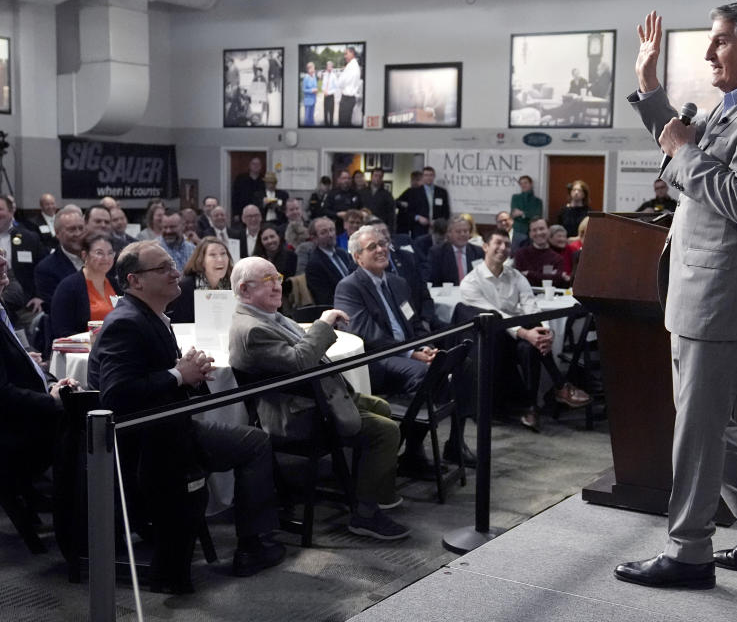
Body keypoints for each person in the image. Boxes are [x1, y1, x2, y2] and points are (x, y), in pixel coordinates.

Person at [615, 3, 737, 590]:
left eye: (720, 42)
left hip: (724, 292)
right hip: (703, 287)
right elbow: (687, 157)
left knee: (698, 428)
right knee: (710, 423)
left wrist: (682, 150)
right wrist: (650, 87)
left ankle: (689, 552)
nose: (707, 54)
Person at [88, 241, 284, 588]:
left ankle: (254, 541)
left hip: (167, 429)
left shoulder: (148, 315)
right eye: (162, 268)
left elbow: (156, 379)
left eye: (172, 265)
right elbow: (116, 395)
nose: (176, 272)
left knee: (254, 440)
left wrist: (190, 373)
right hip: (149, 443)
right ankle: (253, 546)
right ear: (135, 280)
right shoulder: (127, 322)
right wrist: (179, 375)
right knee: (255, 443)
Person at [228, 257, 409, 540]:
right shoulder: (252, 329)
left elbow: (303, 355)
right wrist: (322, 324)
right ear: (244, 289)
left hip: (315, 400)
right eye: (268, 281)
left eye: (278, 276)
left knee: (381, 406)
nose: (278, 285)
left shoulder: (266, 315)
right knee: (386, 431)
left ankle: (371, 489)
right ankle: (365, 513)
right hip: (297, 415)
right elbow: (301, 360)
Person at [334, 225, 470, 473]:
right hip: (376, 358)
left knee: (457, 365)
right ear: (357, 257)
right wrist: (412, 353)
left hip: (408, 352)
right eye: (372, 247)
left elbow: (414, 323)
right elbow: (367, 334)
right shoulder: (349, 287)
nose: (380, 249)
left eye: (382, 244)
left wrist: (426, 347)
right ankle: (406, 449)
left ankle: (422, 449)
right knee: (424, 374)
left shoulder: (397, 283)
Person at [460, 228, 591, 432]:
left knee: (532, 345)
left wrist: (544, 331)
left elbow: (531, 307)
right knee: (526, 335)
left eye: (507, 244)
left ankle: (532, 408)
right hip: (490, 341)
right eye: (498, 243)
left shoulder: (516, 276)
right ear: (485, 246)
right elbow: (496, 316)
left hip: (517, 337)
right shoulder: (470, 282)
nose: (503, 248)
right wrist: (525, 333)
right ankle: (559, 385)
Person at [0, 250, 75, 531]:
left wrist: (51, 383)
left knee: (82, 402)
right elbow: (3, 394)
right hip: (12, 431)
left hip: (23, 411)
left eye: (2, 253)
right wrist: (50, 401)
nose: (3, 261)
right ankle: (78, 520)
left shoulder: (2, 306)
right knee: (85, 423)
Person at [50, 234, 118, 339]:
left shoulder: (116, 285)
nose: (106, 258)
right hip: (83, 350)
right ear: (84, 255)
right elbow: (62, 331)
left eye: (110, 253)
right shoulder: (68, 287)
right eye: (99, 253)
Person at [0, 195, 43, 329]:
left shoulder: (29, 238)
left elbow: (41, 269)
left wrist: (39, 296)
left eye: (0, 209)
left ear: (11, 211)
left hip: (25, 306)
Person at [168, 237, 234, 324]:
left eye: (223, 253)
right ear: (201, 261)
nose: (220, 259)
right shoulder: (185, 287)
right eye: (213, 255)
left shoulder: (232, 284)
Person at [35, 209, 86, 311]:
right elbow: (57, 309)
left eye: (81, 228)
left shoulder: (100, 260)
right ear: (57, 233)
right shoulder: (45, 269)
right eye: (71, 229)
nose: (78, 233)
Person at [305, 216, 356, 306]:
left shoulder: (342, 253)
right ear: (314, 239)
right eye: (324, 232)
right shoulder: (314, 265)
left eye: (332, 230)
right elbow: (325, 299)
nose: (330, 235)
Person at [428, 215, 483, 286]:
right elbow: (433, 280)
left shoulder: (478, 252)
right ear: (449, 233)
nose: (463, 234)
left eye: (465, 231)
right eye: (458, 231)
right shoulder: (437, 253)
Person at [396, 167, 450, 239]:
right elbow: (409, 211)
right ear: (422, 177)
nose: (428, 177)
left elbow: (446, 212)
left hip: (438, 228)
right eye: (426, 175)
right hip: (419, 228)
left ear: (434, 176)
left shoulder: (442, 192)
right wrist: (418, 218)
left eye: (431, 175)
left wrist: (438, 221)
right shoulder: (414, 192)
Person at [514, 217, 569, 287]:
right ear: (530, 234)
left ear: (548, 231)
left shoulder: (558, 259)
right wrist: (548, 276)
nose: (538, 233)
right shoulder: (520, 254)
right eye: (534, 230)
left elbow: (557, 282)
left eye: (541, 229)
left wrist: (529, 274)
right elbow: (518, 280)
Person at [361, 168, 397, 232]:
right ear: (371, 177)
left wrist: (391, 230)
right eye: (375, 175)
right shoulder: (362, 192)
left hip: (379, 226)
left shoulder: (387, 195)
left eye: (380, 176)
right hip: (364, 225)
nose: (377, 178)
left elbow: (391, 214)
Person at [231, 157, 265, 225]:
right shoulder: (240, 178)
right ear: (249, 165)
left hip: (259, 212)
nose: (256, 166)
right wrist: (235, 213)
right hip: (242, 211)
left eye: (258, 164)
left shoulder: (264, 180)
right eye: (253, 164)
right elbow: (235, 196)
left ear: (261, 166)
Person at [509, 175, 542, 242]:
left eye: (525, 183)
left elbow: (537, 216)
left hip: (533, 231)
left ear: (531, 184)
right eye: (521, 183)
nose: (523, 185)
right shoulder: (515, 198)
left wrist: (522, 213)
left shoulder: (538, 201)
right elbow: (514, 214)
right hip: (518, 231)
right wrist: (529, 214)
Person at [338, 46, 361, 126]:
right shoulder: (355, 66)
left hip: (346, 100)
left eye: (346, 54)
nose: (345, 56)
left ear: (352, 53)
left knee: (343, 124)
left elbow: (340, 83)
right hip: (351, 99)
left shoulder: (350, 66)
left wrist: (343, 71)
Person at [320, 61, 338, 126]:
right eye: (328, 66)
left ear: (332, 67)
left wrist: (329, 92)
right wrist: (323, 90)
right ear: (326, 67)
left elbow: (336, 88)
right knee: (325, 111)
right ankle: (326, 124)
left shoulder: (334, 76)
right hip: (325, 96)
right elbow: (323, 85)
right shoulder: (324, 75)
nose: (329, 67)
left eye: (330, 66)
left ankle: (331, 125)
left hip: (331, 96)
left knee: (331, 112)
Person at [301, 61, 318, 126]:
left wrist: (316, 90)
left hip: (313, 100)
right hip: (308, 101)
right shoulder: (306, 77)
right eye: (313, 68)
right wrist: (312, 90)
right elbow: (304, 89)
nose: (314, 69)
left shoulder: (314, 77)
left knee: (311, 118)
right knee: (307, 119)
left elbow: (316, 86)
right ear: (309, 69)